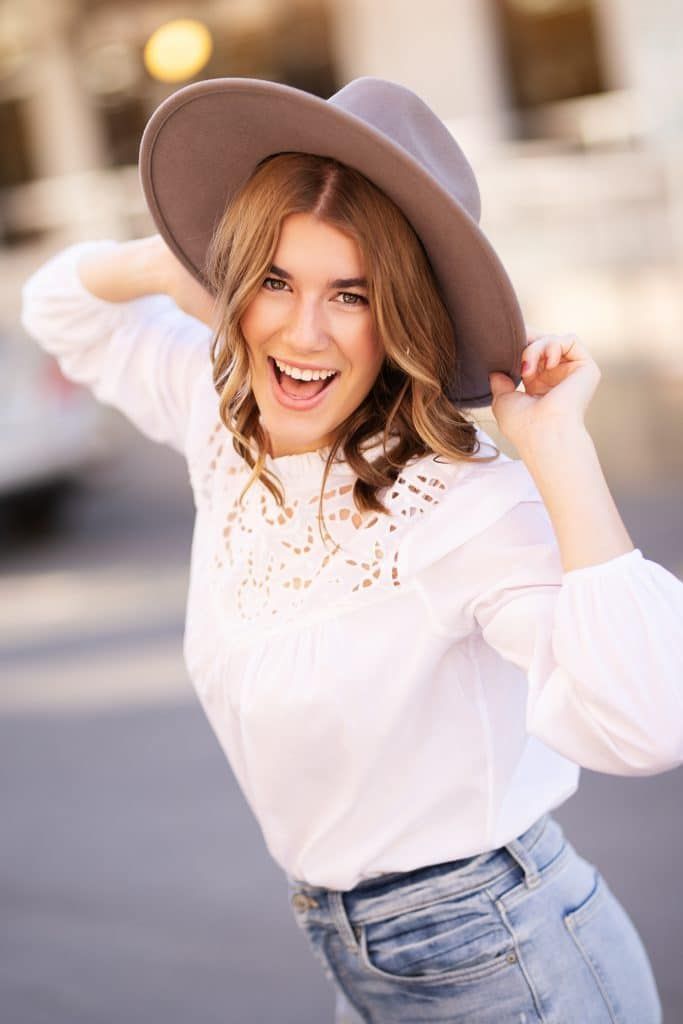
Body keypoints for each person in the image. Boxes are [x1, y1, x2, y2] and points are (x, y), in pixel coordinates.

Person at [20, 76, 681, 1024]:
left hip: (498, 958)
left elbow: (648, 721)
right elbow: (61, 307)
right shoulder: (222, 420)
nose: (302, 330)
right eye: (276, 281)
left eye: (351, 294)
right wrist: (179, 267)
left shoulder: (459, 499)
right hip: (352, 952)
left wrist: (556, 449)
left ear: (401, 315)